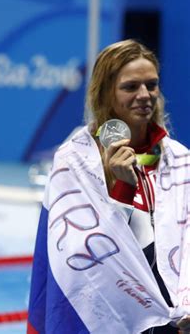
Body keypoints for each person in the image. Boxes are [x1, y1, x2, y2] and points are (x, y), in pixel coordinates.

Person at [27, 39, 190, 333]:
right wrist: (123, 188)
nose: (145, 95)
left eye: (151, 85)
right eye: (131, 87)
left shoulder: (179, 159)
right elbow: (81, 255)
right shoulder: (75, 161)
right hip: (112, 315)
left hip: (175, 317)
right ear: (106, 94)